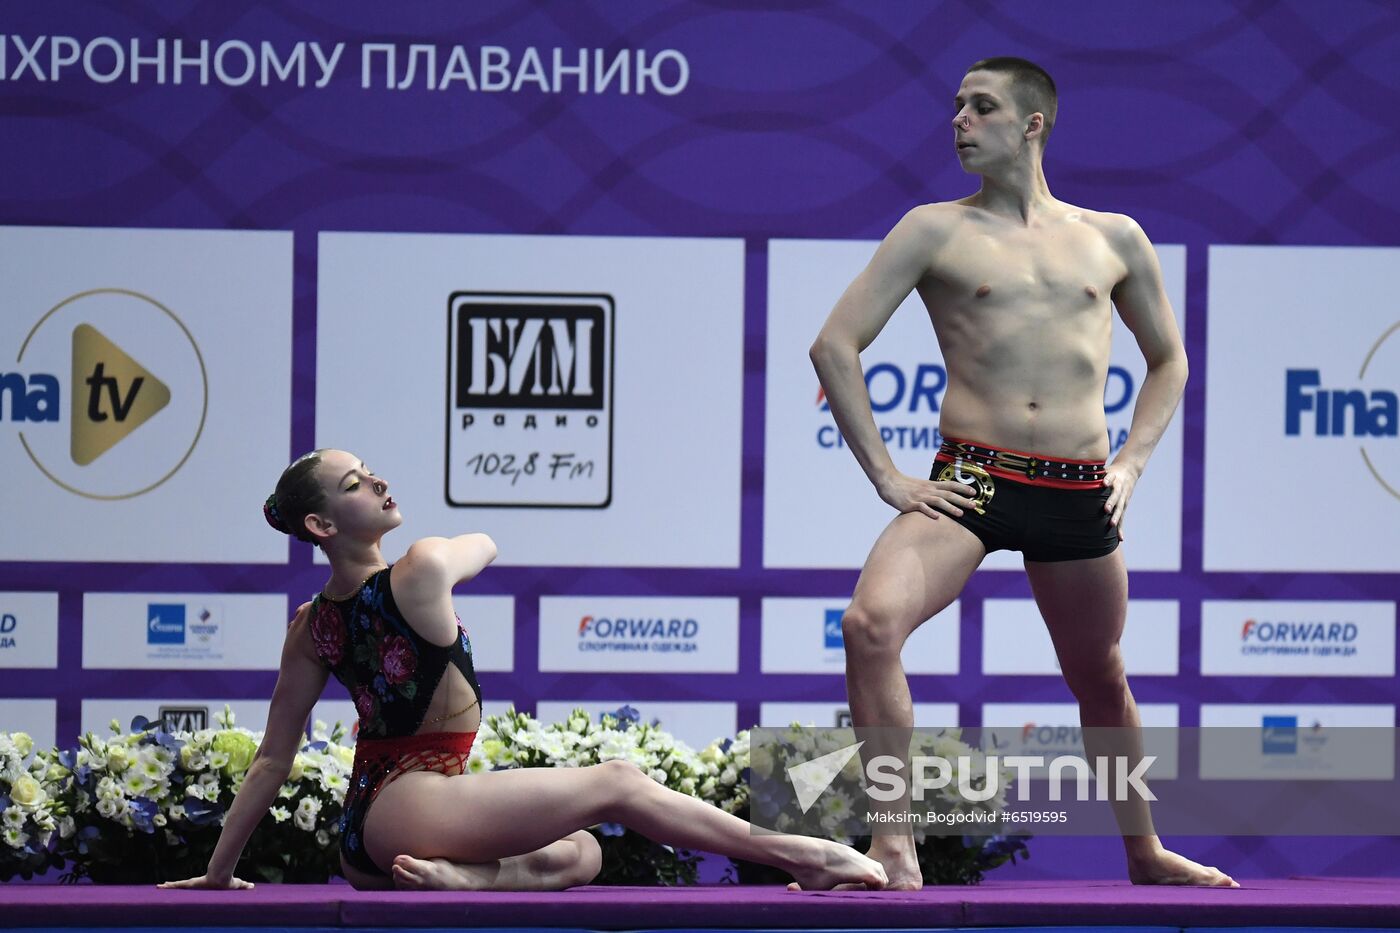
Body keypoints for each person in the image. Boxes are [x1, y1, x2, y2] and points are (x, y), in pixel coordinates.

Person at [809, 57, 1237, 889]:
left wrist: (1133, 462)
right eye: (957, 107)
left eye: (981, 107)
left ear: (1032, 123)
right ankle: (893, 845)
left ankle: (1144, 851)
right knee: (869, 625)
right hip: (973, 482)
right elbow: (834, 345)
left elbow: (1171, 361)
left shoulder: (1113, 237)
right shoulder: (932, 229)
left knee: (1101, 676)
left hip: (1077, 489)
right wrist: (888, 477)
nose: (959, 121)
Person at [159, 448, 886, 892]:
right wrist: (453, 553)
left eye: (374, 472)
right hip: (409, 803)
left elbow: (271, 760)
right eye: (355, 483)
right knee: (618, 781)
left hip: (372, 833)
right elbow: (488, 543)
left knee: (582, 853)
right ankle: (797, 851)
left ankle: (462, 878)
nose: (379, 484)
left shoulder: (309, 624)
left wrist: (222, 865)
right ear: (321, 526)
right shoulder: (423, 565)